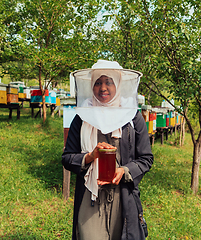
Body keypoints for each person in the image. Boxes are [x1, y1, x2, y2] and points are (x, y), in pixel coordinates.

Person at [62, 60, 153, 240]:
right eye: (97, 82)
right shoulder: (82, 117)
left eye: (109, 82)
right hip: (90, 196)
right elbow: (67, 157)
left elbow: (146, 158)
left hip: (123, 197)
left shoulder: (132, 117)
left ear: (118, 84)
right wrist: (89, 156)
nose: (103, 87)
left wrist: (124, 171)